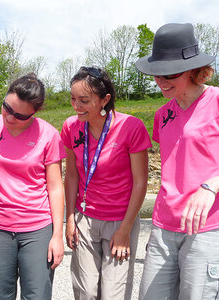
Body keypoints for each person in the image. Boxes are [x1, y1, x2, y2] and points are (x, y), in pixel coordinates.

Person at [135, 23, 219, 300]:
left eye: (171, 73)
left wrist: (212, 186)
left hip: (210, 227)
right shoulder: (161, 115)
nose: (162, 81)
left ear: (194, 69)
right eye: (157, 74)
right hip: (163, 227)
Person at [0, 73, 65, 300]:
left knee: (37, 295)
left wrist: (57, 235)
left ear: (35, 113)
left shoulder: (48, 134)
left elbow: (55, 187)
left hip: (37, 228)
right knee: (1, 295)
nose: (10, 118)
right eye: (6, 108)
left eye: (20, 115)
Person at [61, 66, 152, 299]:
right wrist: (69, 218)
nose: (76, 106)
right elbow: (71, 174)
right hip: (84, 218)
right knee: (86, 291)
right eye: (72, 99)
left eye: (84, 101)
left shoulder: (131, 127)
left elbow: (141, 182)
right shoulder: (71, 126)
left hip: (119, 221)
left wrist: (125, 230)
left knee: (113, 293)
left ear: (105, 99)